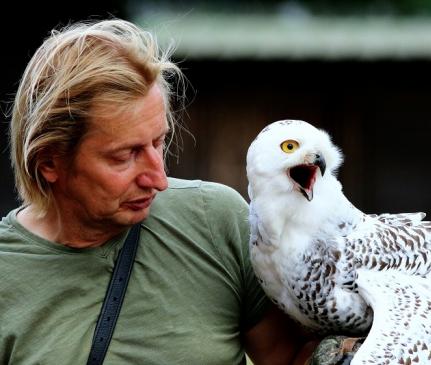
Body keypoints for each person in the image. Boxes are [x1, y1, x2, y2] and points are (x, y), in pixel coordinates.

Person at [0, 18, 318, 364]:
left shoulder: (216, 221)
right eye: (125, 156)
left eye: (159, 142)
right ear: (49, 163)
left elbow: (292, 357)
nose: (159, 179)